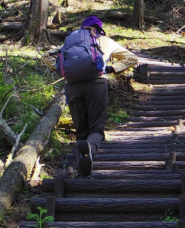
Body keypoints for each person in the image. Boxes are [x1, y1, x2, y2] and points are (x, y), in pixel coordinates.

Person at [48, 15, 138, 176]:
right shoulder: (104, 41)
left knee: (81, 131)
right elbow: (131, 58)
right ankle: (90, 148)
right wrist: (112, 68)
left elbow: (46, 56)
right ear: (99, 29)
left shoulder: (71, 40)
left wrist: (63, 71)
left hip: (73, 86)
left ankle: (78, 170)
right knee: (96, 128)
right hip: (97, 84)